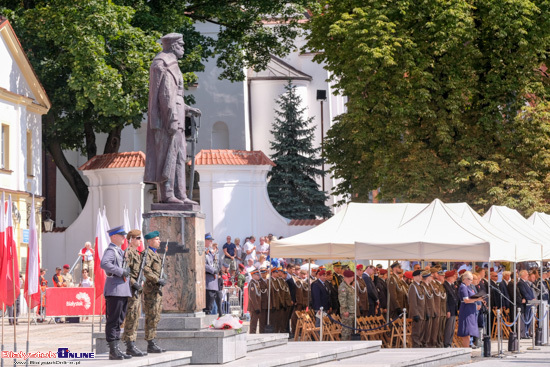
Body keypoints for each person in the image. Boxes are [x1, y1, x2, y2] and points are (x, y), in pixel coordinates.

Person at [144, 32, 201, 204]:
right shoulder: (163, 64)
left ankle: (181, 194)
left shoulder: (172, 64)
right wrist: (172, 119)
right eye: (181, 45)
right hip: (168, 120)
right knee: (167, 156)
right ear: (174, 45)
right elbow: (166, 96)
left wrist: (187, 108)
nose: (183, 48)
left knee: (180, 156)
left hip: (176, 116)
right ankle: (168, 194)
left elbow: (175, 97)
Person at [101, 225, 132, 360]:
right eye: (121, 235)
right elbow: (104, 264)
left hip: (122, 290)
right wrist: (120, 271)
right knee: (113, 320)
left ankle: (117, 349)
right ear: (114, 237)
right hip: (115, 290)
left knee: (119, 320)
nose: (124, 238)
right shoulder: (111, 250)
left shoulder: (119, 251)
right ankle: (113, 350)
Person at [121, 229, 147, 357]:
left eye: (140, 238)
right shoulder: (128, 253)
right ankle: (129, 344)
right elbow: (126, 271)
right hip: (131, 290)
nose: (139, 240)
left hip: (137, 289)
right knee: (131, 317)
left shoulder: (138, 253)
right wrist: (133, 282)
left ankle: (132, 343)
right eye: (137, 238)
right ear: (131, 239)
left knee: (136, 317)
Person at [142, 231, 167, 353]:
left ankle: (152, 341)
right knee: (151, 316)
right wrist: (157, 279)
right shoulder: (148, 254)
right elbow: (145, 269)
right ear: (150, 241)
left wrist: (163, 278)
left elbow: (158, 271)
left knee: (156, 316)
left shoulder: (156, 254)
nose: (159, 241)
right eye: (157, 239)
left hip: (156, 290)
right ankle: (150, 342)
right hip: (151, 289)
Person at [457, 271, 481, 347]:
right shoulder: (463, 287)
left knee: (469, 332)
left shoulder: (468, 287)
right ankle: (466, 350)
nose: (471, 281)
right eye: (470, 279)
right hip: (466, 310)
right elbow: (466, 300)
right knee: (466, 332)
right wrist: (477, 299)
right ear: (465, 279)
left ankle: (468, 350)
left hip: (470, 310)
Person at [408, 269, 426, 348]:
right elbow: (413, 301)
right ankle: (416, 346)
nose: (422, 277)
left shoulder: (420, 286)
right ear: (416, 276)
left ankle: (420, 344)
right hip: (417, 313)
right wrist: (415, 313)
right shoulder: (413, 286)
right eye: (421, 275)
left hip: (422, 312)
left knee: (421, 331)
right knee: (416, 332)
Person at [338, 270, 358, 341]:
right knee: (346, 331)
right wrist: (345, 310)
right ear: (349, 277)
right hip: (347, 312)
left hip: (352, 311)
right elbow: (342, 300)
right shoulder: (343, 287)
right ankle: (344, 345)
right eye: (352, 276)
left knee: (350, 331)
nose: (353, 278)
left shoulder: (349, 286)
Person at [518, 269, 535, 338]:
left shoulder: (526, 282)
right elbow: (524, 293)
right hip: (526, 304)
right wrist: (531, 299)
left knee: (529, 319)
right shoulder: (520, 283)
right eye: (527, 274)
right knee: (526, 319)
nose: (528, 275)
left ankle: (527, 332)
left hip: (530, 303)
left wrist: (533, 299)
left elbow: (530, 292)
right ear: (523, 275)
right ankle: (525, 333)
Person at [205, 233, 219, 315]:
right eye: (209, 240)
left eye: (211, 240)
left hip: (213, 281)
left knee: (211, 304)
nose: (211, 242)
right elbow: (203, 264)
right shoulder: (203, 252)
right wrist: (213, 270)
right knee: (208, 305)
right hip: (208, 281)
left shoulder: (210, 252)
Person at [444, 270, 459, 348]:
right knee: (448, 328)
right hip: (450, 309)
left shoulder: (452, 285)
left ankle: (449, 342)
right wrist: (448, 310)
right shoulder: (445, 285)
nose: (455, 278)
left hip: (453, 309)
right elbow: (446, 299)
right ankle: (447, 343)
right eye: (453, 276)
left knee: (452, 328)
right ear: (449, 277)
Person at [248, 269, 264, 333]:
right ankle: (252, 335)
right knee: (253, 323)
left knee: (255, 322)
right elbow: (253, 297)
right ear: (253, 275)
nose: (258, 276)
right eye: (257, 275)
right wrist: (256, 307)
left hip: (257, 306)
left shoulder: (256, 283)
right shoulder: (252, 284)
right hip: (253, 307)